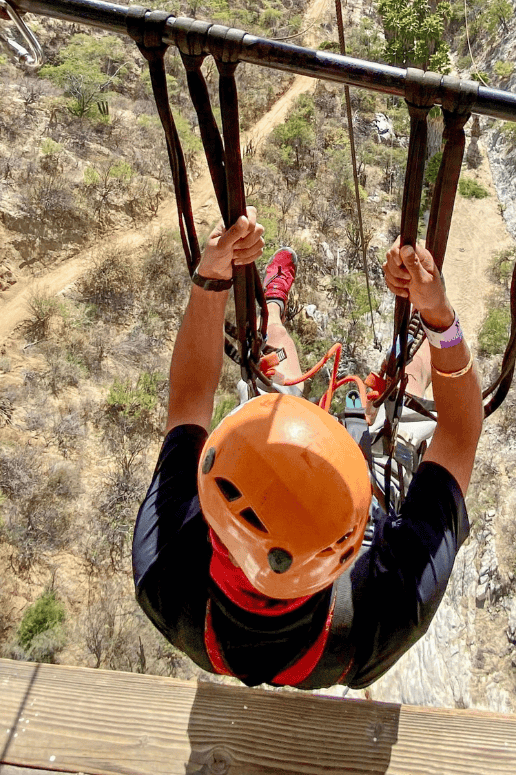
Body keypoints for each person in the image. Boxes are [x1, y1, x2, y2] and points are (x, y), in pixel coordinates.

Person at [133, 207, 483, 689]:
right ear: (350, 551)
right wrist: (440, 317)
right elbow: (460, 434)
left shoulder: (167, 573)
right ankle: (411, 353)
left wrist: (212, 275)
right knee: (418, 381)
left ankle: (273, 307)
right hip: (365, 496)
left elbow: (190, 400)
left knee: (276, 356)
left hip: (328, 518)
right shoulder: (387, 609)